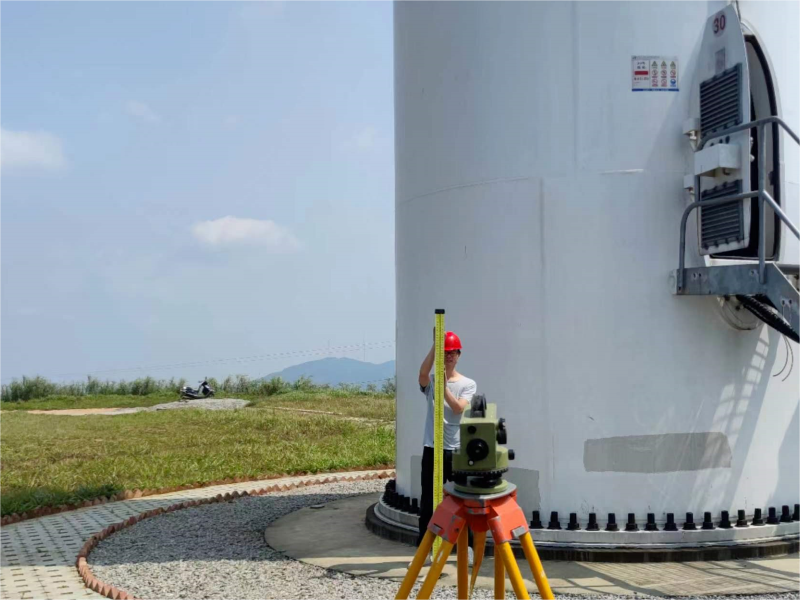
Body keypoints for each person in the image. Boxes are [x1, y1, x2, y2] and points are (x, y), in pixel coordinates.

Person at [417, 330, 477, 549]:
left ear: (459, 355)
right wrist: (435, 345)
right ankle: (425, 548)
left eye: (453, 352)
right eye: (446, 352)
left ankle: (466, 547)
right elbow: (422, 374)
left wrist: (443, 389)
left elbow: (458, 408)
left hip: (457, 450)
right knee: (428, 501)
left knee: (463, 500)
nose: (450, 356)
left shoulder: (468, 384)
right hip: (432, 447)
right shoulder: (431, 381)